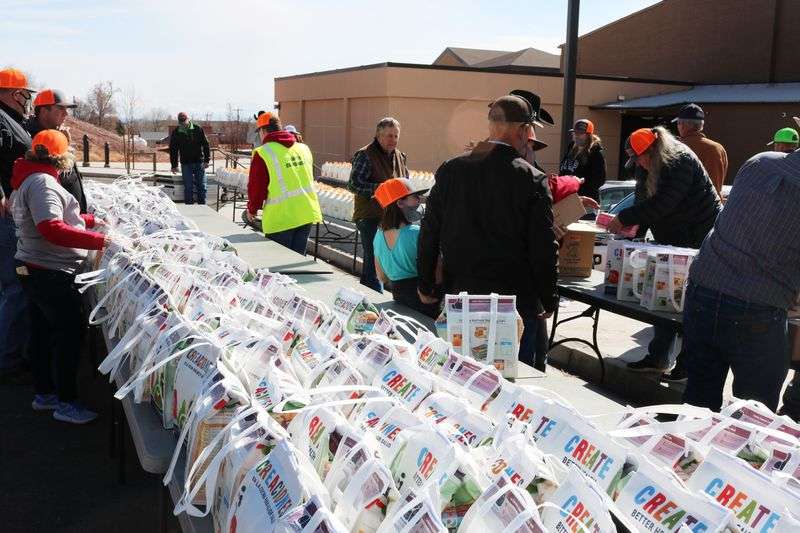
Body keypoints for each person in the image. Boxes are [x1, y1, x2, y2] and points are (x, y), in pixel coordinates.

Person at [417, 93, 559, 370]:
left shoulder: (451, 169)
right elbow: (543, 246)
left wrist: (425, 283)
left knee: (460, 376)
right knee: (513, 385)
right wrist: (548, 296)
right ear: (522, 130)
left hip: (461, 296)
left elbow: (429, 232)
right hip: (514, 302)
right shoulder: (531, 178)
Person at [682, 148, 800, 412]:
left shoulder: (759, 161)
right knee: (753, 415)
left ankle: (688, 450)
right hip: (757, 307)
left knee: (697, 400)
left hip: (704, 288)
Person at [11, 130, 115, 423]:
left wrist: (93, 222)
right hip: (49, 272)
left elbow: (60, 217)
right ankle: (66, 403)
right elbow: (51, 228)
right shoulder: (43, 182)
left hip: (33, 268)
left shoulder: (29, 178)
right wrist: (100, 241)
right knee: (69, 336)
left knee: (42, 333)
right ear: (62, 156)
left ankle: (44, 394)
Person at [607, 127, 721, 379]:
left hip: (699, 236)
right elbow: (642, 200)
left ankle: (687, 364)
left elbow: (664, 203)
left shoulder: (679, 161)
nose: (638, 165)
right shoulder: (645, 165)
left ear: (652, 151)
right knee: (662, 295)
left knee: (688, 302)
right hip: (672, 236)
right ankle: (658, 357)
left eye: (639, 159)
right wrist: (635, 232)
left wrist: (624, 217)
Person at [245, 112, 322, 255]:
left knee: (279, 268)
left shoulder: (263, 152)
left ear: (263, 131)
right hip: (306, 214)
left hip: (281, 218)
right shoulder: (303, 149)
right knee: (297, 264)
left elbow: (257, 187)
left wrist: (252, 209)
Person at [0, 68, 35, 378]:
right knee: (16, 288)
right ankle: (8, 362)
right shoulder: (1, 119)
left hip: (14, 214)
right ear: (15, 94)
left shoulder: (13, 120)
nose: (28, 101)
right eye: (27, 94)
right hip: (7, 218)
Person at [347, 117, 407, 292]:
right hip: (369, 216)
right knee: (375, 257)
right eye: (389, 136)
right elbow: (353, 184)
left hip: (392, 215)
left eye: (396, 136)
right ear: (378, 136)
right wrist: (381, 188)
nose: (393, 140)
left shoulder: (400, 156)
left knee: (382, 258)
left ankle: (367, 294)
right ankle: (374, 294)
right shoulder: (365, 155)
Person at [372, 178, 439, 318]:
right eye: (415, 197)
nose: (419, 200)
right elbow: (438, 272)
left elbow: (382, 277)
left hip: (399, 298)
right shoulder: (417, 233)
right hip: (427, 301)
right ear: (400, 203)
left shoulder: (378, 236)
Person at [24, 89, 86, 213]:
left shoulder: (57, 134)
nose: (66, 114)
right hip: (55, 214)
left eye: (66, 109)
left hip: (72, 213)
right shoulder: (32, 138)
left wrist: (64, 143)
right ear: (43, 111)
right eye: (60, 109)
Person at [674, 103, 728, 195]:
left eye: (678, 123)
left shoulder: (676, 147)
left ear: (682, 125)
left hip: (685, 207)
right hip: (714, 206)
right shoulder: (718, 148)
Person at [557, 119, 606, 201]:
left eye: (581, 133)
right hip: (566, 198)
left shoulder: (596, 153)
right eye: (575, 133)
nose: (577, 135)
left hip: (585, 201)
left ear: (588, 135)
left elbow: (599, 180)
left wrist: (578, 186)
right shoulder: (571, 148)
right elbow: (563, 171)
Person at [169, 112, 210, 205]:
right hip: (186, 164)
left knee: (202, 186)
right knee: (188, 188)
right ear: (178, 121)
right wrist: (174, 165)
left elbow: (206, 145)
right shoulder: (176, 132)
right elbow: (173, 150)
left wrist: (207, 160)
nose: (183, 123)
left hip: (199, 162)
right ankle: (189, 209)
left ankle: (202, 208)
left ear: (188, 119)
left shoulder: (197, 129)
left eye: (184, 120)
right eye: (181, 121)